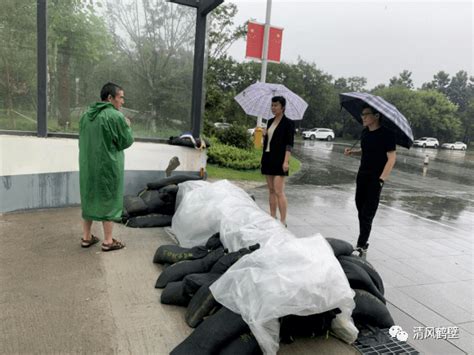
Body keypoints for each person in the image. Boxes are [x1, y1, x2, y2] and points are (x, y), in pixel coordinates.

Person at [79, 82, 134, 251]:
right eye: (120, 98)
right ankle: (108, 241)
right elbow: (125, 141)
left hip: (88, 165)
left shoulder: (86, 115)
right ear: (110, 98)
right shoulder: (115, 116)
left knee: (89, 197)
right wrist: (128, 126)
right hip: (108, 166)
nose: (122, 102)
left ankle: (87, 237)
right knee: (108, 198)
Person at [344, 104, 396, 258]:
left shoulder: (387, 134)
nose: (363, 117)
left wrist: (382, 179)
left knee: (367, 214)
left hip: (376, 179)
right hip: (362, 176)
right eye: (362, 115)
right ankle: (363, 240)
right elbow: (366, 150)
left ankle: (361, 245)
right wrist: (353, 152)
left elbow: (392, 158)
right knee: (360, 210)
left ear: (376, 116)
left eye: (366, 114)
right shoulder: (365, 133)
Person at [261, 96, 295, 227]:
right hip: (268, 158)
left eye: (276, 105)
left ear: (283, 107)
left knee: (279, 191)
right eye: (272, 105)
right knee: (270, 190)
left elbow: (289, 144)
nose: (273, 108)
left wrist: (286, 162)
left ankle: (283, 220)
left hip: (280, 160)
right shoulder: (269, 122)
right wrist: (265, 135)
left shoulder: (289, 123)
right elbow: (268, 143)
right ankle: (272, 216)